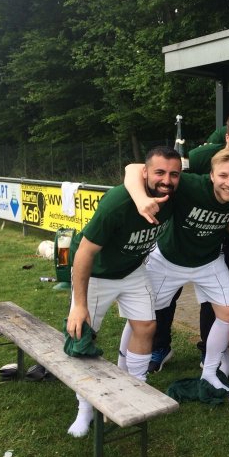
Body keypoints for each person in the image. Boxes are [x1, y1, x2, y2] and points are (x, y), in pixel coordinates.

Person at [65, 146, 181, 437]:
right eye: (159, 172)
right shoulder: (118, 202)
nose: (167, 180)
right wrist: (79, 304)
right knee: (83, 333)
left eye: (174, 174)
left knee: (147, 326)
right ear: (145, 173)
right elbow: (84, 254)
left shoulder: (174, 194)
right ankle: (85, 407)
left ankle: (136, 388)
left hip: (131, 269)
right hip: (97, 272)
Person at [124, 148, 229, 393]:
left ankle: (210, 372)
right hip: (168, 260)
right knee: (141, 314)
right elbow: (133, 169)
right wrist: (141, 199)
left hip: (208, 261)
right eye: (223, 176)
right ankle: (127, 371)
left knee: (227, 313)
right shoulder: (190, 184)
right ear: (211, 176)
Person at [148, 112, 229, 373]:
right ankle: (159, 346)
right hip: (176, 246)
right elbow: (149, 173)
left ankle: (209, 352)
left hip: (213, 248)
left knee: (214, 304)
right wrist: (145, 200)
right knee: (162, 302)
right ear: (227, 136)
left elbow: (226, 208)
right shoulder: (201, 157)